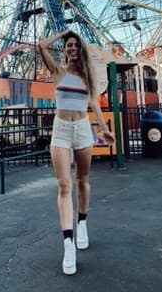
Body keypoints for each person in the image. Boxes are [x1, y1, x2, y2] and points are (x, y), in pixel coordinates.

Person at [38, 30, 115, 275]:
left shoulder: (88, 76)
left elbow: (94, 105)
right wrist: (64, 32)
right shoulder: (58, 72)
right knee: (64, 185)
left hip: (83, 128)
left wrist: (103, 130)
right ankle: (68, 243)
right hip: (61, 128)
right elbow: (41, 46)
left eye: (75, 45)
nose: (71, 48)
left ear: (80, 50)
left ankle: (82, 222)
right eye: (69, 45)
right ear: (65, 49)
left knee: (82, 180)